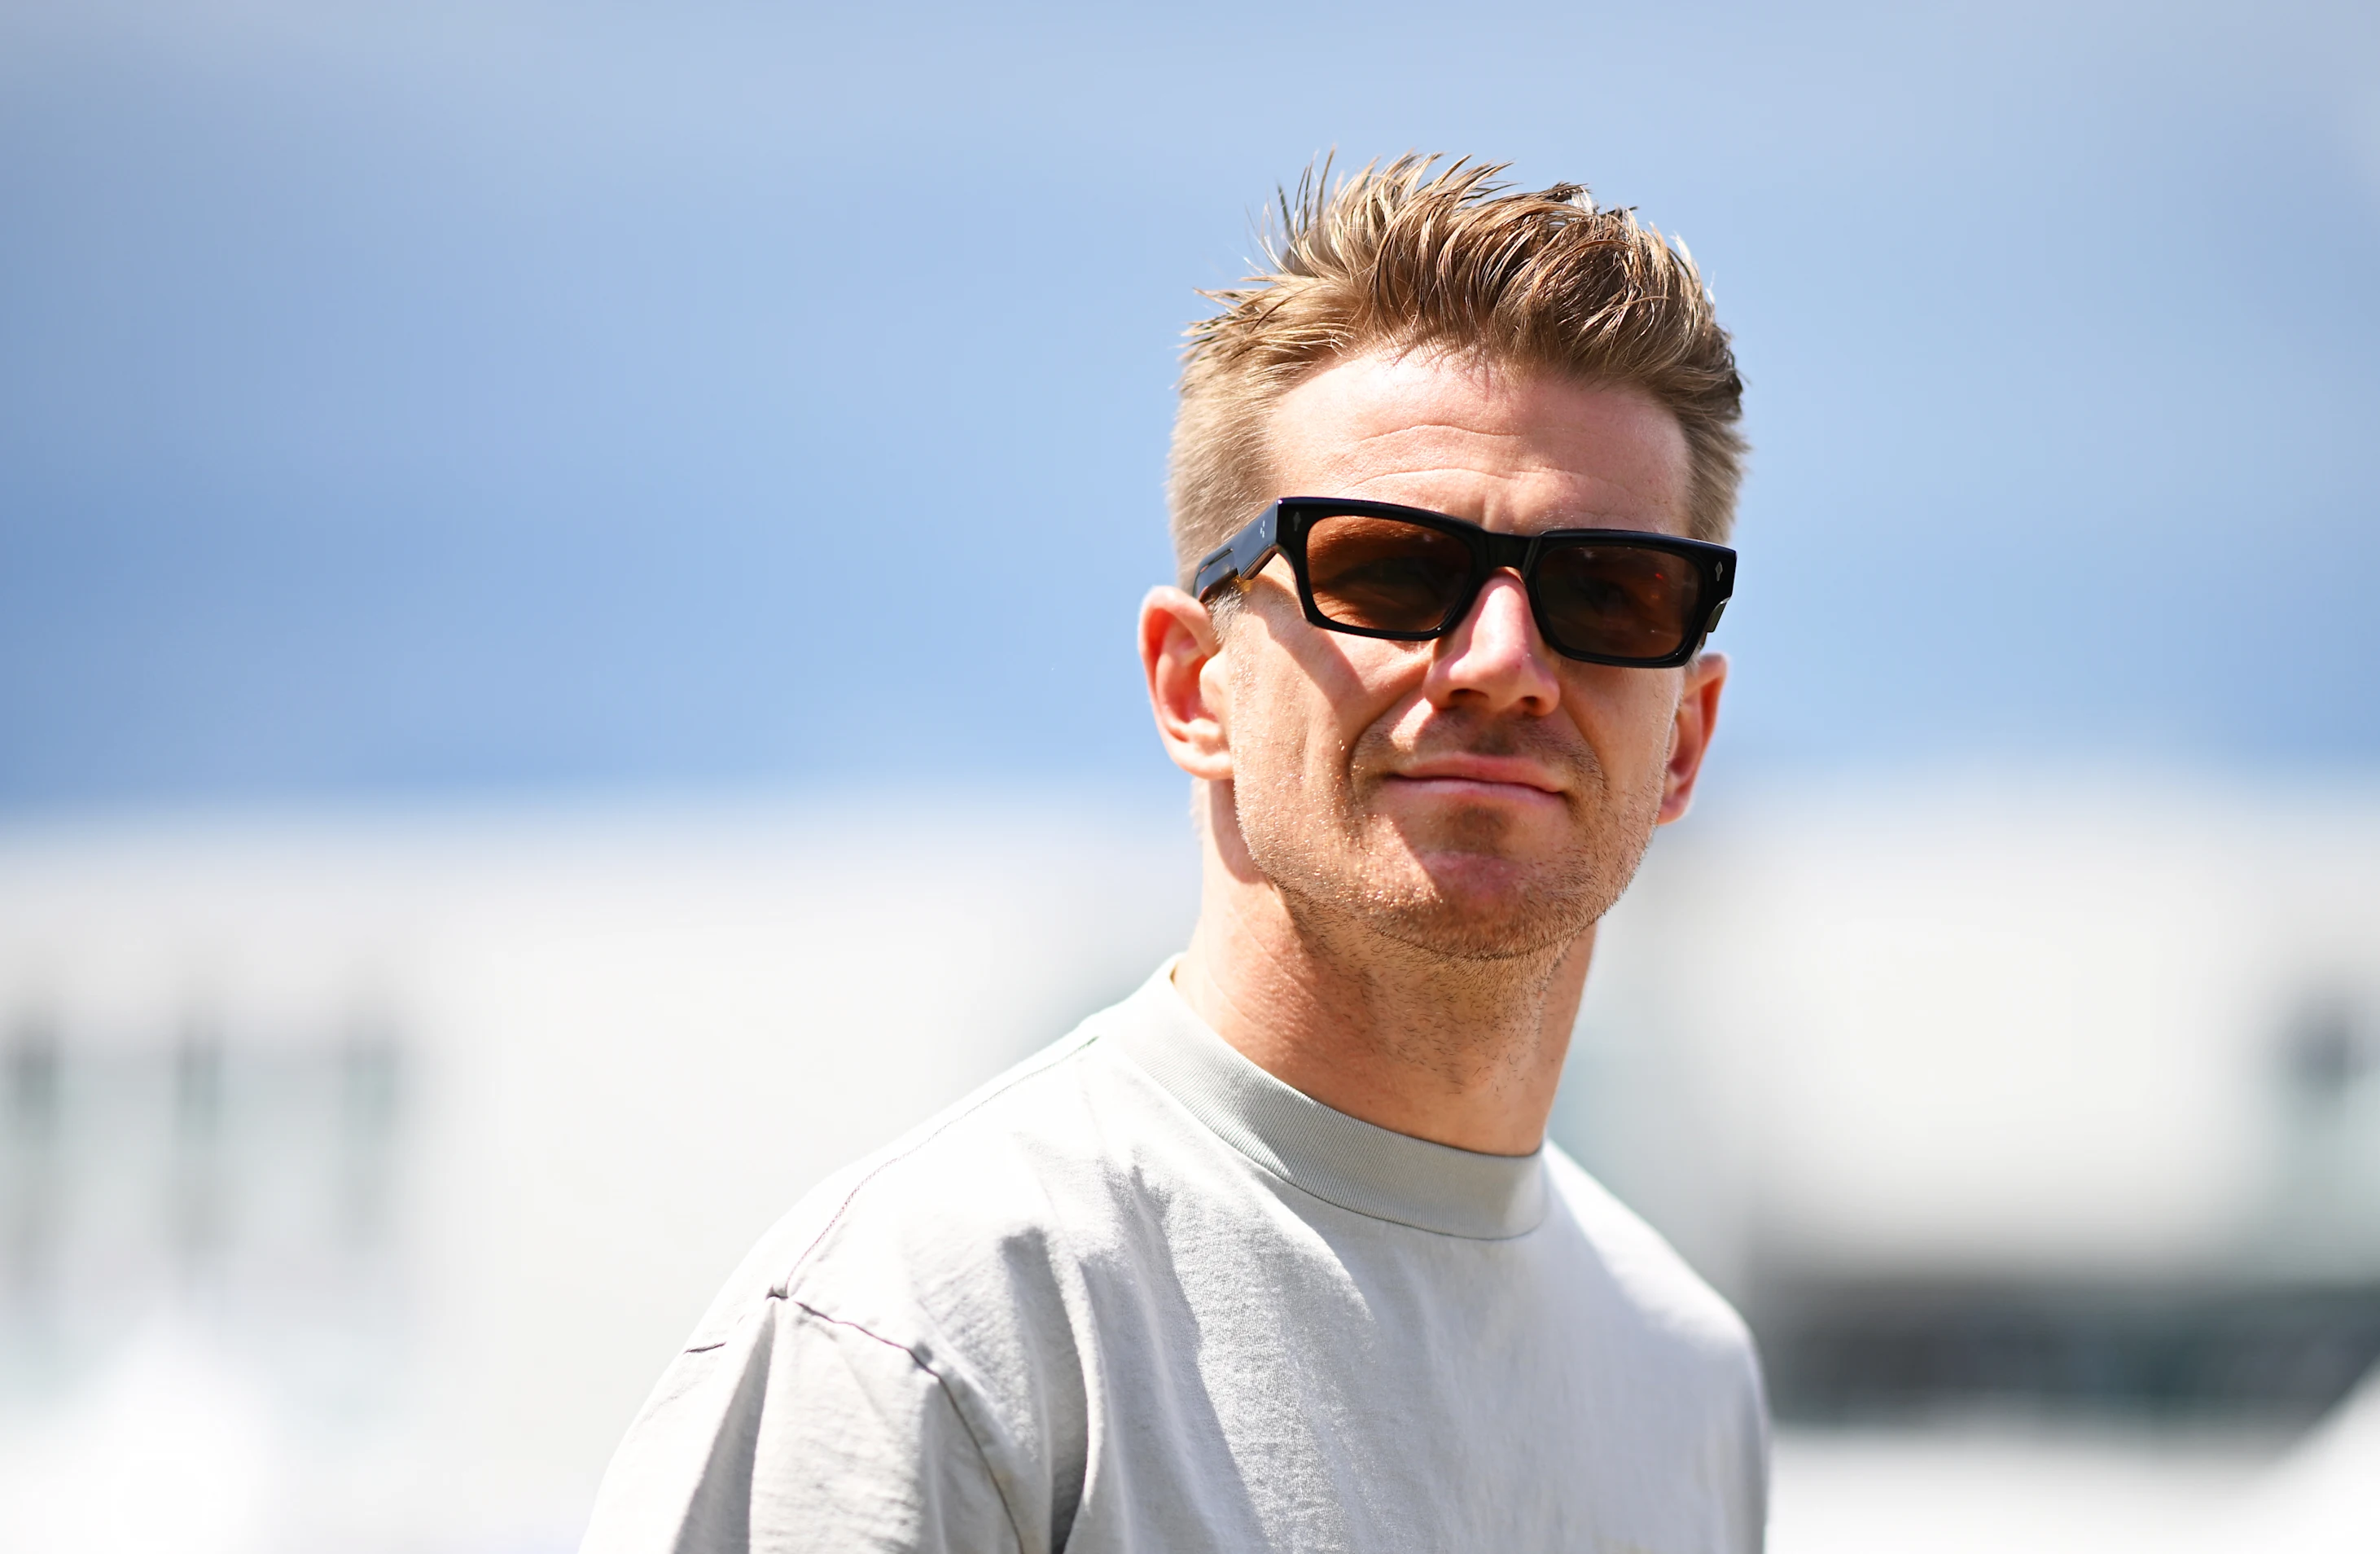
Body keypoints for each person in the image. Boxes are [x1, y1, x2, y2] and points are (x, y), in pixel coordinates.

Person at [579, 155, 1764, 1553]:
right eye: (1390, 569)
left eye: (1609, 589)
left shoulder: (1688, 1381)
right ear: (1194, 684)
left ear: (1684, 738)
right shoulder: (936, 1322)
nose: (1504, 662)